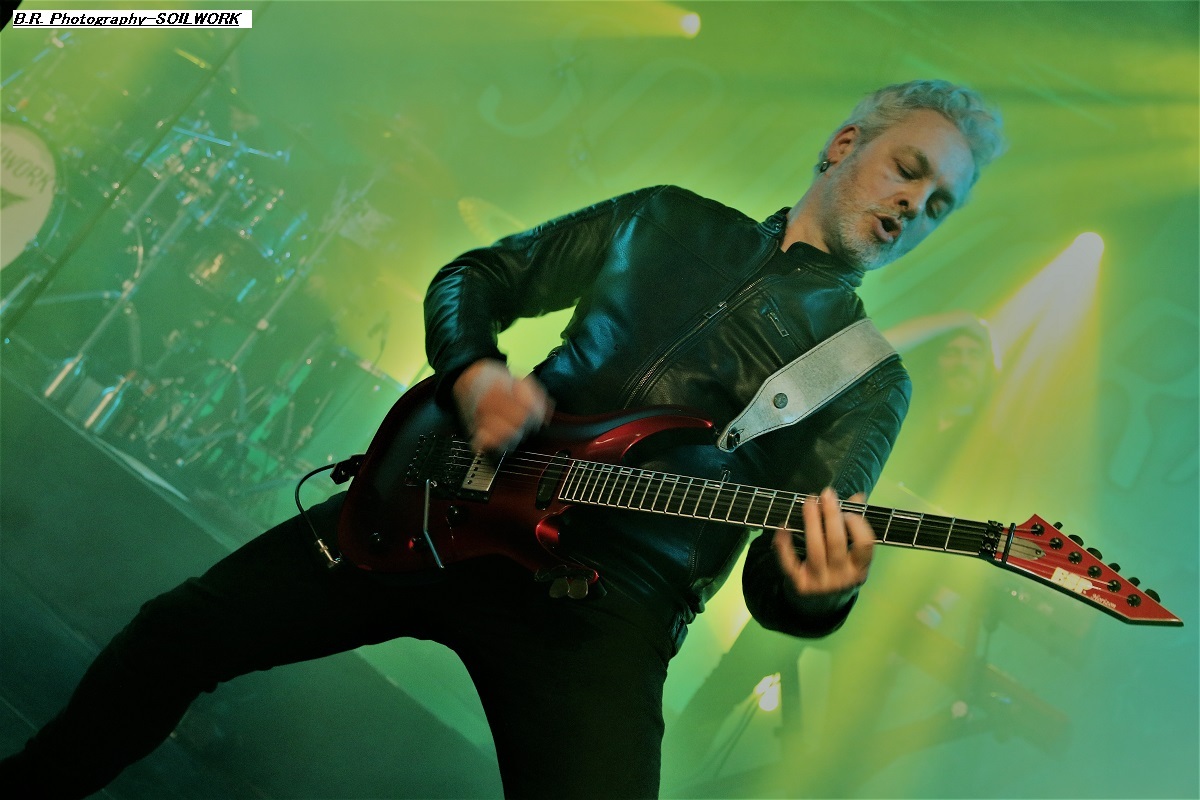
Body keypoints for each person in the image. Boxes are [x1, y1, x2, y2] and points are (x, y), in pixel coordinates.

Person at [0, 79, 1004, 798]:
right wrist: (476, 372)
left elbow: (783, 581)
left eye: (938, 205)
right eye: (907, 169)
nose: (913, 205)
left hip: (603, 609)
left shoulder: (866, 378)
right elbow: (476, 277)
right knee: (175, 636)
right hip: (451, 494)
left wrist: (818, 591)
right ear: (845, 144)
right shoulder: (664, 219)